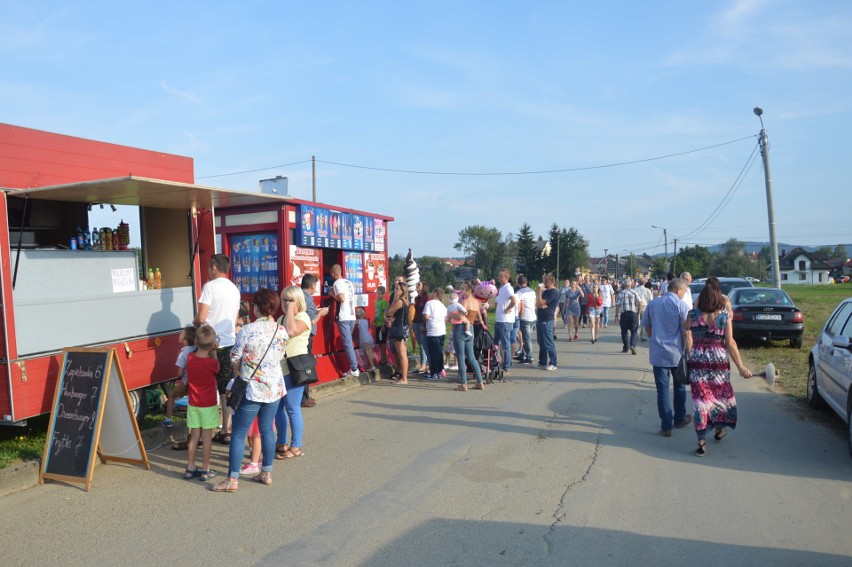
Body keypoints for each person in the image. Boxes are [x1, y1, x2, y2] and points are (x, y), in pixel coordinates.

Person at [213, 289, 287, 493]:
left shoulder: (247, 330)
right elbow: (280, 355)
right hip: (273, 388)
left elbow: (234, 357)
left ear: (257, 307)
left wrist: (241, 370)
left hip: (252, 388)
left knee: (238, 432)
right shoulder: (281, 330)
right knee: (267, 430)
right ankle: (266, 472)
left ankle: (232, 480)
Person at [685, 276, 753, 456]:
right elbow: (730, 343)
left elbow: (686, 330)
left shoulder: (693, 315)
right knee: (718, 397)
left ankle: (701, 441)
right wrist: (741, 367)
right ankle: (718, 429)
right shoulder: (724, 318)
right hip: (719, 362)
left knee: (700, 401)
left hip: (698, 360)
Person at [193, 254, 241, 445]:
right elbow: (236, 319)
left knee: (205, 387)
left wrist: (195, 322)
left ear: (214, 267)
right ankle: (226, 429)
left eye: (208, 267)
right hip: (229, 343)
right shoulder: (234, 288)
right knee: (225, 388)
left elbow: (202, 317)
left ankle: (204, 430)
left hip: (210, 346)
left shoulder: (210, 287)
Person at [642, 277, 691, 438]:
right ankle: (679, 418)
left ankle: (666, 426)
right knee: (679, 387)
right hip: (676, 353)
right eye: (683, 292)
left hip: (658, 353)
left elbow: (647, 327)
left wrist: (654, 338)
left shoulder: (653, 304)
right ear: (678, 290)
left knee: (662, 390)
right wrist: (689, 351)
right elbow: (686, 331)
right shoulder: (681, 305)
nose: (684, 295)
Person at [275, 285, 313, 461]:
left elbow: (291, 331)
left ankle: (296, 445)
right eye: (284, 300)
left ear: (298, 302)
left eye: (290, 300)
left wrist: (291, 309)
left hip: (295, 369)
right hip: (280, 367)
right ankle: (281, 442)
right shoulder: (281, 318)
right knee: (277, 408)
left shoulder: (303, 317)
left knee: (292, 407)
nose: (285, 304)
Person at [182, 324, 219, 482]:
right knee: (207, 437)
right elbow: (217, 368)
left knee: (194, 436)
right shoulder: (211, 363)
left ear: (195, 341)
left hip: (193, 404)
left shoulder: (190, 359)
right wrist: (215, 352)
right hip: (208, 404)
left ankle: (190, 467)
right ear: (212, 345)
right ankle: (205, 469)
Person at [299, 273, 329, 408]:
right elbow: (310, 321)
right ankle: (303, 397)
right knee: (306, 366)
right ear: (312, 285)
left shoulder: (300, 296)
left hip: (301, 335)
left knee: (304, 365)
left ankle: (304, 396)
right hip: (306, 335)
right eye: (315, 284)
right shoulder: (306, 298)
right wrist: (321, 313)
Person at [451, 282, 484, 391]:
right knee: (471, 357)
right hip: (471, 328)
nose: (461, 291)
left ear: (468, 290)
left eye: (462, 289)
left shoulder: (465, 301)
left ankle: (464, 384)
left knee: (460, 357)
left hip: (460, 328)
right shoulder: (476, 302)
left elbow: (460, 316)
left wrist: (450, 314)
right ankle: (480, 381)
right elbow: (479, 317)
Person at [163, 325, 196, 432]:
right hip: (197, 382)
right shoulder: (195, 349)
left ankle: (168, 420)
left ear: (185, 339)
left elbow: (180, 373)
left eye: (182, 333)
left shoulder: (183, 354)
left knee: (172, 395)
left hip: (187, 383)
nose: (179, 334)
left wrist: (179, 375)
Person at [330, 264, 359, 377]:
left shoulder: (337, 283)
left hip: (343, 316)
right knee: (349, 342)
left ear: (333, 274)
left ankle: (354, 369)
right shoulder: (349, 282)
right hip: (352, 315)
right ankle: (353, 367)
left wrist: (332, 294)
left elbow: (341, 298)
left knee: (347, 344)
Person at [385, 280, 411, 383]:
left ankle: (404, 378)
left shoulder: (399, 301)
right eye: (395, 288)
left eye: (397, 289)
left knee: (402, 354)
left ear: (402, 291)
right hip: (402, 328)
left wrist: (394, 301)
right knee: (401, 354)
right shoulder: (405, 301)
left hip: (398, 329)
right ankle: (403, 376)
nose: (395, 290)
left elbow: (389, 312)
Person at [493, 268, 517, 374]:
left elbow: (514, 300)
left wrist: (507, 309)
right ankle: (495, 363)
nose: (499, 277)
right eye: (499, 275)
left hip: (505, 321)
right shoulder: (502, 288)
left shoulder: (508, 288)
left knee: (505, 343)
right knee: (495, 343)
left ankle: (506, 367)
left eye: (501, 276)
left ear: (507, 277)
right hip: (499, 320)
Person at [422, 287, 448, 380]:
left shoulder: (429, 303)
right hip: (442, 331)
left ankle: (434, 373)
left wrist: (427, 320)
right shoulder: (442, 305)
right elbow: (445, 319)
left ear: (435, 293)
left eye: (432, 292)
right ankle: (440, 371)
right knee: (439, 352)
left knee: (433, 353)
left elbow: (426, 316)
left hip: (433, 331)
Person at [536, 274, 559, 370]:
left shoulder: (553, 292)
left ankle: (553, 363)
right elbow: (538, 304)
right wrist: (541, 300)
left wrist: (539, 292)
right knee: (541, 341)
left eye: (545, 281)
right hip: (540, 318)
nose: (543, 283)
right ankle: (542, 361)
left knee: (548, 341)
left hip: (547, 319)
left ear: (550, 282)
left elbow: (541, 303)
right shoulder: (545, 292)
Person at [615, 277, 642, 355]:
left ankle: (626, 347)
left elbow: (618, 305)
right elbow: (640, 303)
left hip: (624, 314)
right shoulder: (635, 292)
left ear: (624, 285)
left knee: (624, 331)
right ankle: (632, 345)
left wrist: (617, 315)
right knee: (634, 331)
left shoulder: (621, 293)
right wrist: (638, 312)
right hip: (633, 314)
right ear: (631, 285)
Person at [515, 275, 536, 364]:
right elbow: (534, 303)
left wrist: (519, 316)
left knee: (526, 339)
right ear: (526, 282)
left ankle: (529, 356)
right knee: (525, 338)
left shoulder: (519, 293)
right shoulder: (532, 291)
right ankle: (523, 354)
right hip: (533, 316)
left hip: (525, 317)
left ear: (518, 283)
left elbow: (521, 307)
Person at [411, 281, 430, 374]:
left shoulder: (426, 298)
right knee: (420, 344)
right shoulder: (417, 298)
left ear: (423, 287)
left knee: (424, 344)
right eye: (416, 284)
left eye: (419, 285)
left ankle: (424, 365)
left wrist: (426, 325)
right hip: (416, 321)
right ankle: (423, 364)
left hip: (422, 322)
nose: (417, 286)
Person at [355, 307, 377, 371]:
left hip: (364, 339)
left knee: (367, 352)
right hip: (369, 337)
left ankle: (372, 366)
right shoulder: (366, 321)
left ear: (357, 315)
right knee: (370, 352)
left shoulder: (358, 321)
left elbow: (352, 324)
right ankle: (373, 364)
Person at [374, 285, 390, 366]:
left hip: (382, 325)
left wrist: (384, 324)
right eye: (377, 293)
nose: (378, 295)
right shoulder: (376, 302)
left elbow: (385, 313)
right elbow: (377, 314)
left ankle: (383, 359)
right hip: (377, 324)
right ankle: (384, 358)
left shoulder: (383, 302)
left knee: (383, 343)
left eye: (380, 293)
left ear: (383, 294)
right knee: (380, 343)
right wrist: (374, 321)